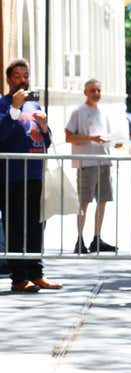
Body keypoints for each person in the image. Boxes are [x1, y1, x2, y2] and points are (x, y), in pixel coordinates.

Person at [0, 58, 62, 292]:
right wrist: (14, 110)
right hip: (11, 176)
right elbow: (2, 134)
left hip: (36, 174)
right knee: (15, 226)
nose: (23, 80)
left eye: (26, 75)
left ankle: (37, 273)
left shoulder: (34, 105)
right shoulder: (3, 105)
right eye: (17, 75)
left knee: (37, 224)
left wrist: (45, 128)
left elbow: (46, 140)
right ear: (8, 79)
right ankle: (18, 278)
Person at [65, 78, 117, 254]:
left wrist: (114, 142)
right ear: (85, 92)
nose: (96, 94)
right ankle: (79, 239)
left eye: (98, 90)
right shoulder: (78, 112)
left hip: (103, 161)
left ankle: (97, 238)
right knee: (84, 203)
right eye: (93, 90)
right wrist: (91, 138)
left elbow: (107, 136)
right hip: (86, 163)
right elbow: (69, 137)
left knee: (102, 201)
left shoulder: (104, 112)